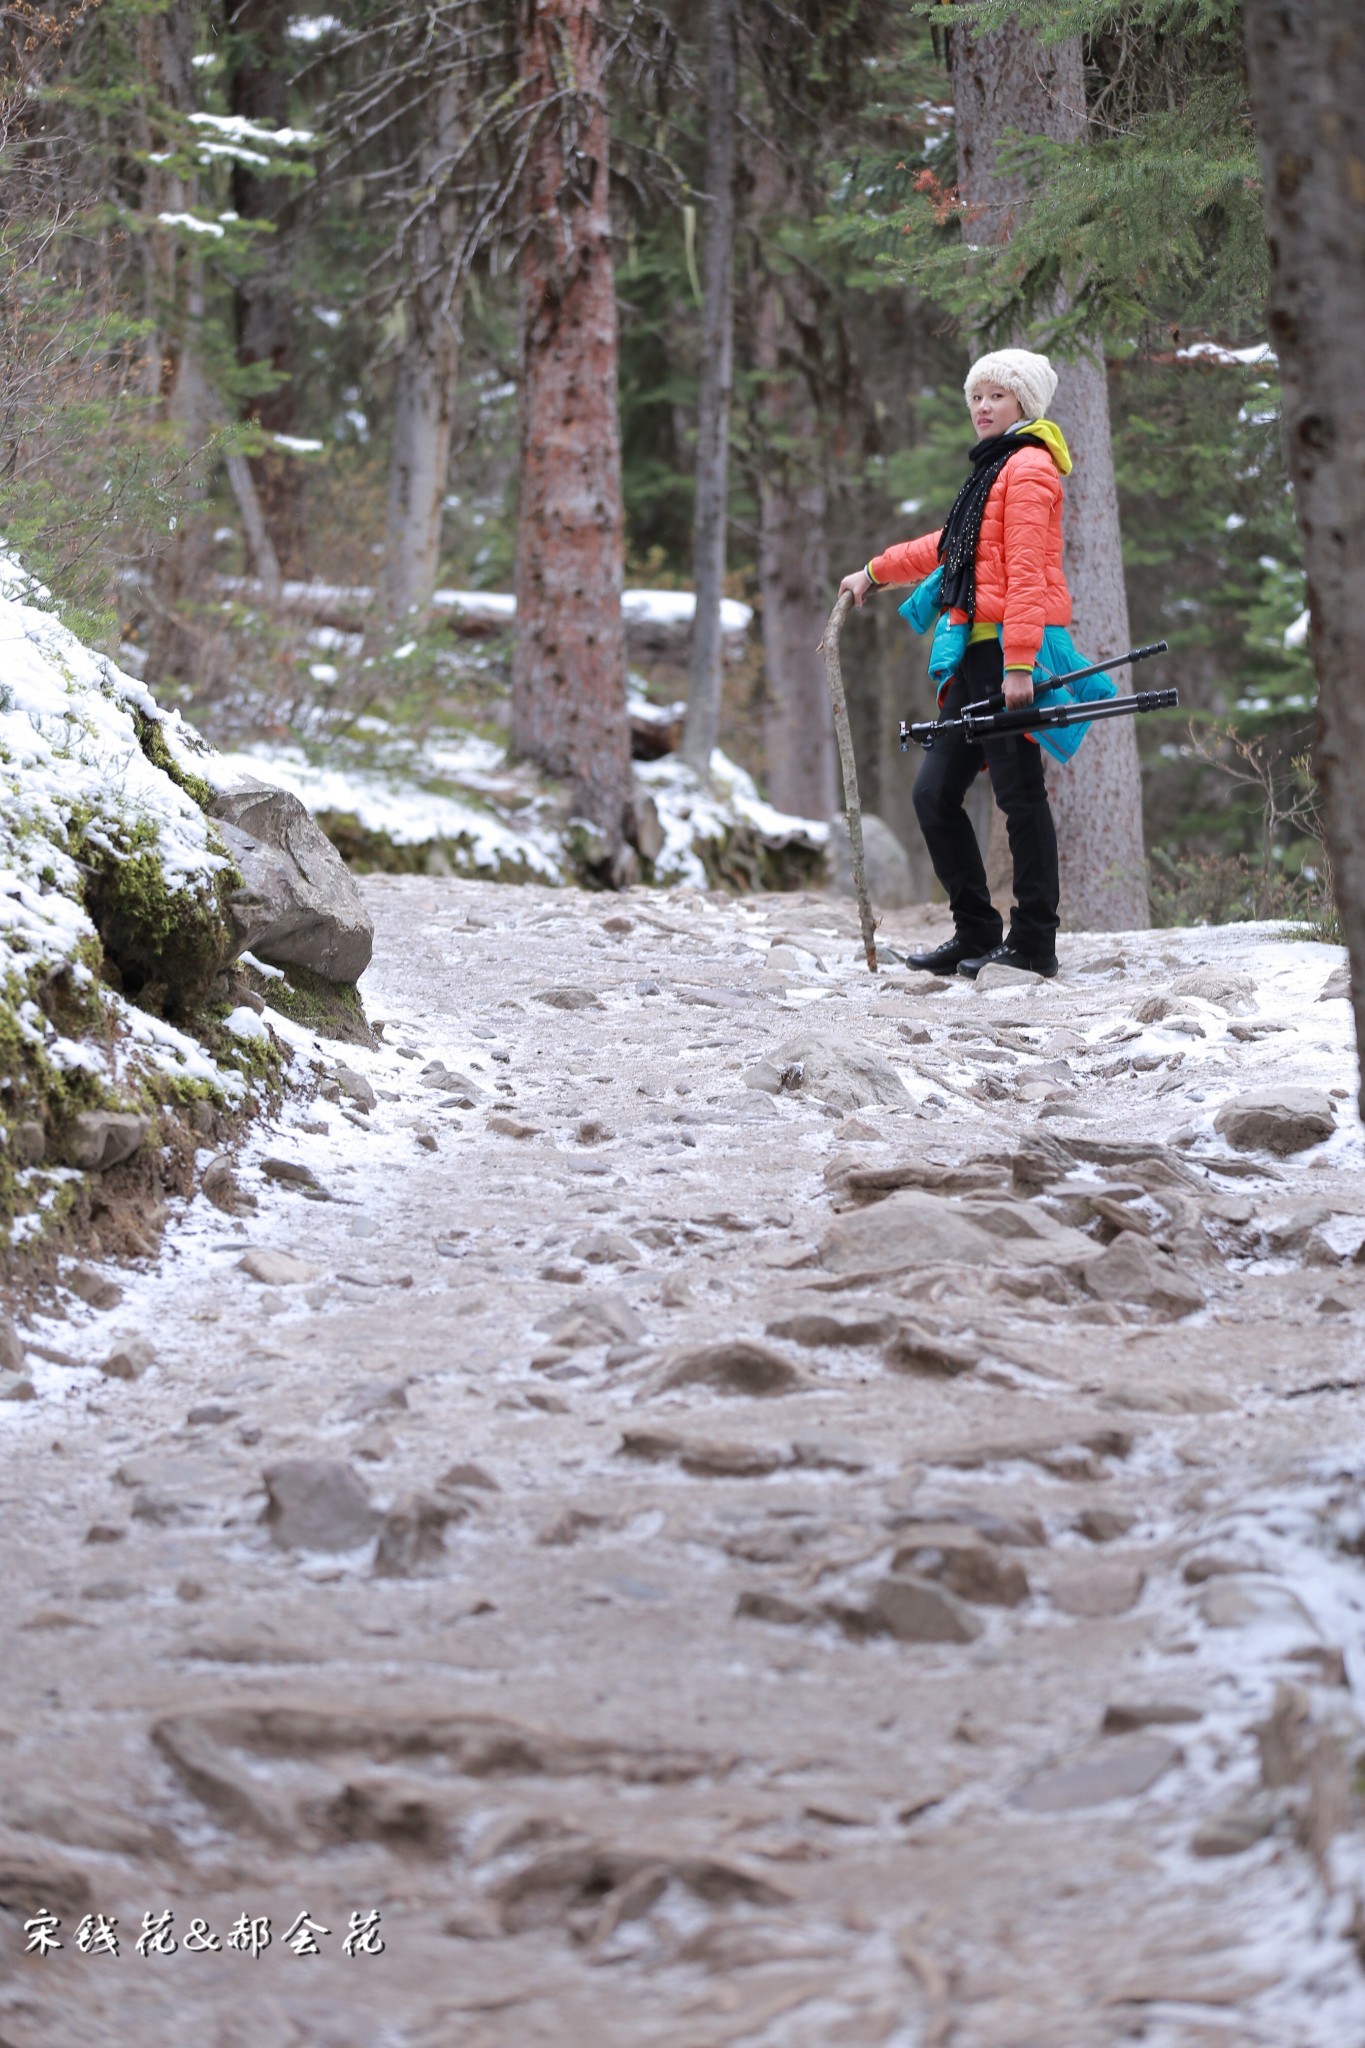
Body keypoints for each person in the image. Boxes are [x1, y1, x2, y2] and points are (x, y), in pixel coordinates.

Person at [838, 348, 1073, 979]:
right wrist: (872, 574)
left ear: (1024, 402)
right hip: (970, 655)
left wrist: (1020, 664)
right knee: (934, 794)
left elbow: (1026, 574)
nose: (982, 406)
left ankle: (1033, 944)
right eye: (976, 395)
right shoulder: (988, 474)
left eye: (996, 395)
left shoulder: (1028, 469)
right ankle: (975, 932)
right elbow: (944, 549)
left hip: (1005, 654)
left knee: (1019, 795)